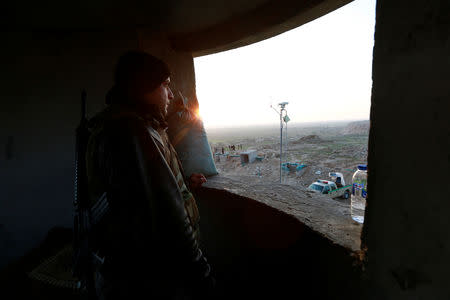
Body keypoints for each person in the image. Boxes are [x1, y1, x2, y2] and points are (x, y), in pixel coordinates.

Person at [85, 50, 214, 299]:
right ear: (144, 87)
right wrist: (201, 272)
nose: (171, 94)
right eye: (165, 85)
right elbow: (170, 217)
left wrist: (183, 185)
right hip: (157, 273)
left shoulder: (127, 126)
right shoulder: (132, 132)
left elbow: (139, 194)